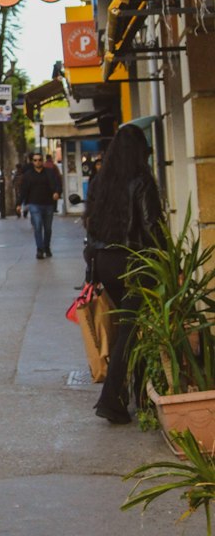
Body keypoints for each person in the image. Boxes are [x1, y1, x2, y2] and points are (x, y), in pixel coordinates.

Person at [84, 123, 162, 424]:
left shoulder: (103, 180)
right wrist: (170, 265)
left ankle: (141, 399)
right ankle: (111, 400)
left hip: (105, 262)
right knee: (131, 332)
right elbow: (152, 225)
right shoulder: (141, 180)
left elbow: (91, 224)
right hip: (135, 263)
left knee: (133, 328)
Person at [16, 152, 60, 258]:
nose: (38, 162)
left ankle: (47, 247)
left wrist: (57, 192)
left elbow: (57, 184)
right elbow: (23, 190)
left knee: (48, 228)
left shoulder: (49, 173)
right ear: (32, 162)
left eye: (40, 160)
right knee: (38, 226)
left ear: (42, 161)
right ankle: (39, 249)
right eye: (35, 160)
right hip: (34, 204)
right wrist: (18, 204)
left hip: (48, 204)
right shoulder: (28, 175)